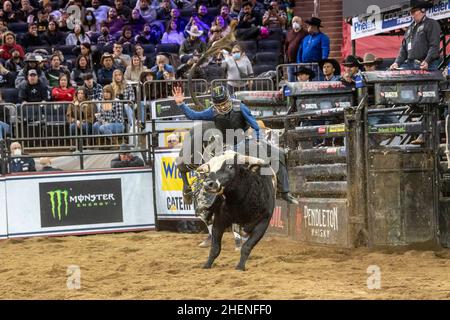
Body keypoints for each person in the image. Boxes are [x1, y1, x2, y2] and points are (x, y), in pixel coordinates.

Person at [173, 85, 298, 206]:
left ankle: (285, 192)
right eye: (219, 104)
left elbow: (254, 125)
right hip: (226, 146)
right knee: (216, 170)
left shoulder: (240, 107)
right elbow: (193, 115)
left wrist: (258, 139)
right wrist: (180, 104)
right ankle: (209, 204)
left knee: (279, 154)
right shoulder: (212, 111)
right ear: (214, 104)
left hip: (246, 141)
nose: (222, 107)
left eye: (224, 103)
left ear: (229, 99)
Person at [390, 0, 441, 71]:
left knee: (427, 82)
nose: (411, 15)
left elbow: (434, 45)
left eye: (414, 11)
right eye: (410, 12)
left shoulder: (431, 23)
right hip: (410, 64)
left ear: (423, 10)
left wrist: (427, 60)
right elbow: (403, 48)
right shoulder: (410, 27)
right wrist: (397, 62)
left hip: (427, 64)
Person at [284, 16, 307, 81]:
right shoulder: (289, 33)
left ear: (301, 23)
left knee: (302, 81)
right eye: (293, 21)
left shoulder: (305, 33)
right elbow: (286, 45)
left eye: (297, 21)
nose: (295, 23)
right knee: (291, 81)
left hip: (301, 62)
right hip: (291, 62)